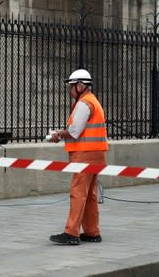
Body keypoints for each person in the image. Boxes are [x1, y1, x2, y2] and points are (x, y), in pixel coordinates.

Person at [48, 69, 108, 245]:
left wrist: (58, 134)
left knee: (78, 193)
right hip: (97, 154)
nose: (70, 90)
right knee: (90, 194)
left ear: (80, 86)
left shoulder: (84, 103)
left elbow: (74, 131)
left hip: (85, 154)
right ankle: (91, 232)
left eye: (71, 86)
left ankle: (72, 233)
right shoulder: (93, 101)